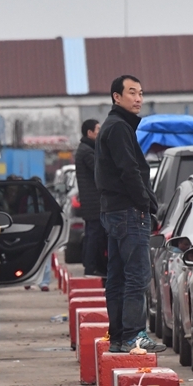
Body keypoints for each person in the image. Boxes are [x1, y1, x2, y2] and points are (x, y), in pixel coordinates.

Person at [95, 75, 166, 354]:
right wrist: (146, 204)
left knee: (118, 277)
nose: (138, 99)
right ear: (116, 97)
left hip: (114, 211)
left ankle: (118, 337)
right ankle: (134, 337)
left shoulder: (113, 126)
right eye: (132, 93)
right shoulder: (119, 128)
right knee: (136, 276)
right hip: (127, 211)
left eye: (141, 93)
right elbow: (129, 171)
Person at [74, 118, 107, 278]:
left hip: (92, 202)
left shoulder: (87, 149)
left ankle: (91, 267)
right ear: (89, 133)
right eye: (98, 130)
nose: (100, 133)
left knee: (92, 235)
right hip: (93, 202)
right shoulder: (87, 151)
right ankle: (90, 269)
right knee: (94, 236)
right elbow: (100, 170)